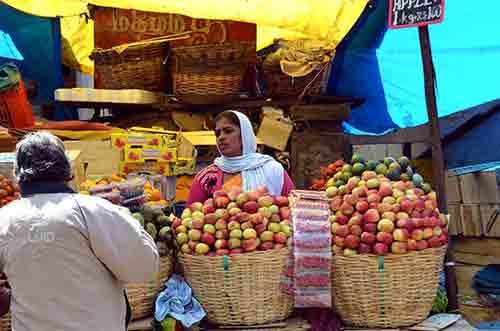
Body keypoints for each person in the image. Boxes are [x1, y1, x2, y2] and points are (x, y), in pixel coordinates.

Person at [0, 132, 159, 331]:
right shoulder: (91, 211)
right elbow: (144, 268)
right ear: (69, 173)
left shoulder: (5, 218)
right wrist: (125, 217)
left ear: (18, 177)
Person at [188, 110, 294, 205]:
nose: (221, 137)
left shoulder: (273, 170)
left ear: (245, 134)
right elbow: (192, 217)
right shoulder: (206, 178)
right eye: (217, 133)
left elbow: (293, 207)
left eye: (228, 131)